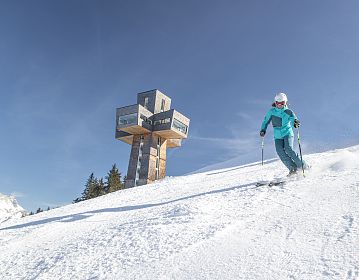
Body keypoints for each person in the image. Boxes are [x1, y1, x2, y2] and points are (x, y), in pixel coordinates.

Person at [260, 92, 309, 175]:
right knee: (280, 152)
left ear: (285, 102)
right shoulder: (271, 112)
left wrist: (296, 122)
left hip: (287, 133)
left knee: (289, 149)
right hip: (277, 136)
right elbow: (265, 121)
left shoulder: (288, 111)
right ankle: (293, 169)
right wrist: (263, 129)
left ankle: (304, 166)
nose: (280, 105)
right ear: (275, 102)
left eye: (282, 103)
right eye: (278, 103)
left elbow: (294, 119)